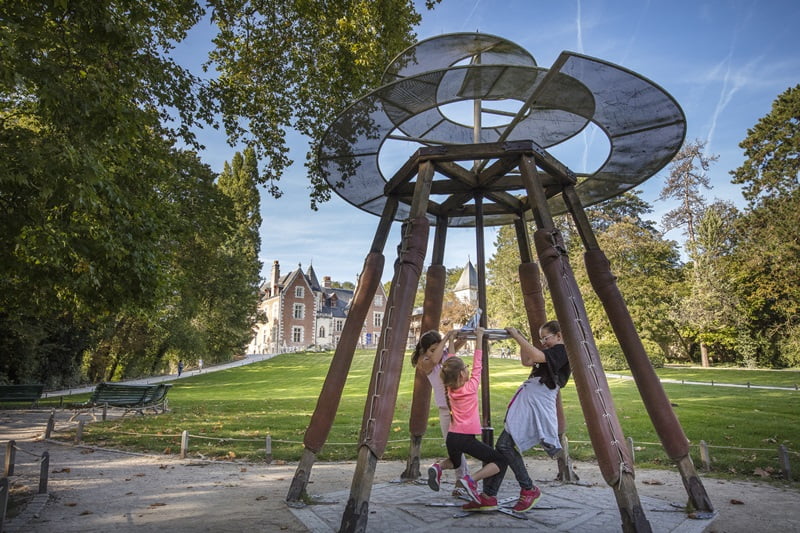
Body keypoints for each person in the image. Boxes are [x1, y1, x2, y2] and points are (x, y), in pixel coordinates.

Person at [481, 320, 571, 513]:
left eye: (546, 338)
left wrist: (517, 336)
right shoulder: (550, 352)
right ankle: (490, 495)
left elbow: (536, 355)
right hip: (530, 401)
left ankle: (527, 489)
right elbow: (527, 360)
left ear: (559, 336)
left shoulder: (562, 351)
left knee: (504, 446)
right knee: (503, 446)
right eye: (541, 339)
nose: (544, 342)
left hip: (538, 403)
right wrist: (521, 339)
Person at [425, 327, 508, 512]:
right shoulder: (470, 387)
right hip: (465, 438)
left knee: (455, 462)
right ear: (463, 374)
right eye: (466, 368)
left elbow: (451, 361)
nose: (469, 369)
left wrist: (452, 341)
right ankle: (470, 480)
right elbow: (478, 361)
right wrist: (479, 337)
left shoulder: (449, 389)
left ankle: (438, 467)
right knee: (500, 461)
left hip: (452, 438)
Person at [411, 329, 470, 489]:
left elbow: (455, 347)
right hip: (445, 408)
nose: (436, 352)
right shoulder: (425, 361)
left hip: (458, 405)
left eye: (438, 348)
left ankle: (461, 481)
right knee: (454, 447)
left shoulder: (444, 354)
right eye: (432, 349)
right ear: (424, 350)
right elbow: (435, 358)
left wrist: (460, 337)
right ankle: (462, 480)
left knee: (460, 446)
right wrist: (445, 339)